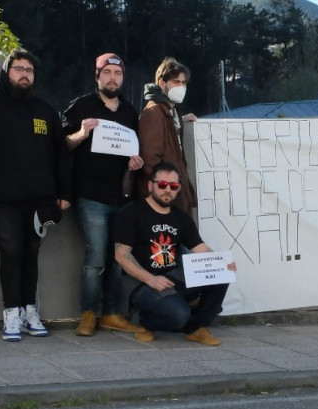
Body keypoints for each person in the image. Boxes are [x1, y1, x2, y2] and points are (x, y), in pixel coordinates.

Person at [0, 50, 73, 342]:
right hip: (3, 199)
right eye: (18, 68)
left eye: (30, 70)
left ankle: (29, 311)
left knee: (31, 256)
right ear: (6, 72)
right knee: (11, 255)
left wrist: (64, 193)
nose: (24, 74)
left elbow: (60, 155)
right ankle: (10, 314)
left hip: (40, 200)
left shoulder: (45, 110)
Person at [62, 53, 150, 339]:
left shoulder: (128, 111)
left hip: (122, 196)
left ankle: (112, 313)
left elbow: (134, 152)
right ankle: (88, 314)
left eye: (118, 73)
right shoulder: (82, 106)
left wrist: (136, 164)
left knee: (117, 258)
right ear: (97, 75)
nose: (113, 78)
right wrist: (80, 134)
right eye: (107, 72)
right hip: (90, 195)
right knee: (96, 256)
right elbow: (61, 145)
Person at [113, 161, 235, 346]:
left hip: (172, 277)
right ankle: (143, 320)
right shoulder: (132, 213)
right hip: (141, 283)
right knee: (178, 315)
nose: (167, 190)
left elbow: (200, 248)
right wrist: (150, 279)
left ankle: (197, 327)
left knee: (221, 274)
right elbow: (121, 255)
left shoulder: (181, 218)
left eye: (173, 186)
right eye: (162, 184)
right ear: (150, 185)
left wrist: (221, 263)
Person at [136, 57, 197, 213]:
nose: (181, 87)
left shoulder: (172, 111)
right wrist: (166, 191)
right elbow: (150, 160)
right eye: (176, 82)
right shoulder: (154, 111)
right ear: (162, 83)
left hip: (174, 194)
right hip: (165, 199)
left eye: (184, 83)